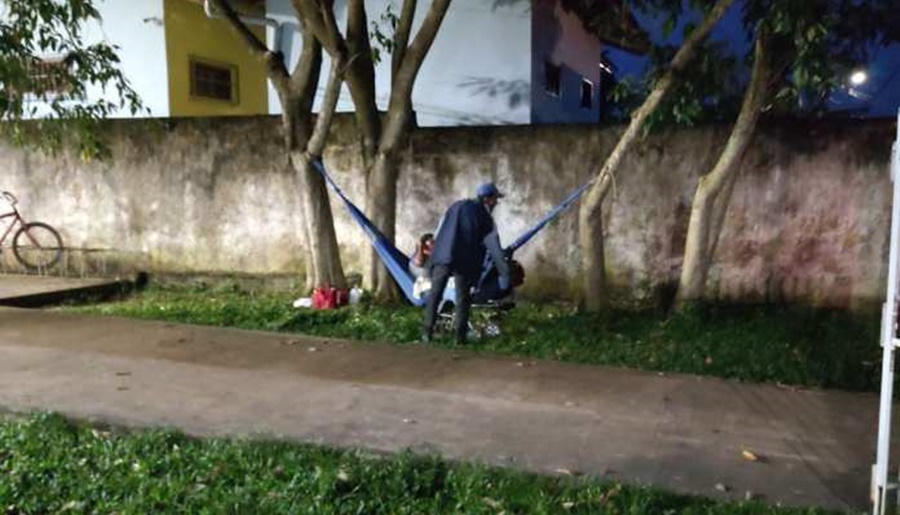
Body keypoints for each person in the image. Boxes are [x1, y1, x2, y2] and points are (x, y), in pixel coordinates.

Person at [421, 182, 511, 344]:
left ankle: (426, 333)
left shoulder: (455, 207)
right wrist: (505, 273)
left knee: (435, 294)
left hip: (443, 255)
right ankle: (459, 337)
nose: (496, 203)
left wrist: (432, 260)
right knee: (462, 298)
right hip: (465, 260)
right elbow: (495, 250)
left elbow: (439, 232)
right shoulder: (486, 220)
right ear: (487, 199)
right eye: (495, 199)